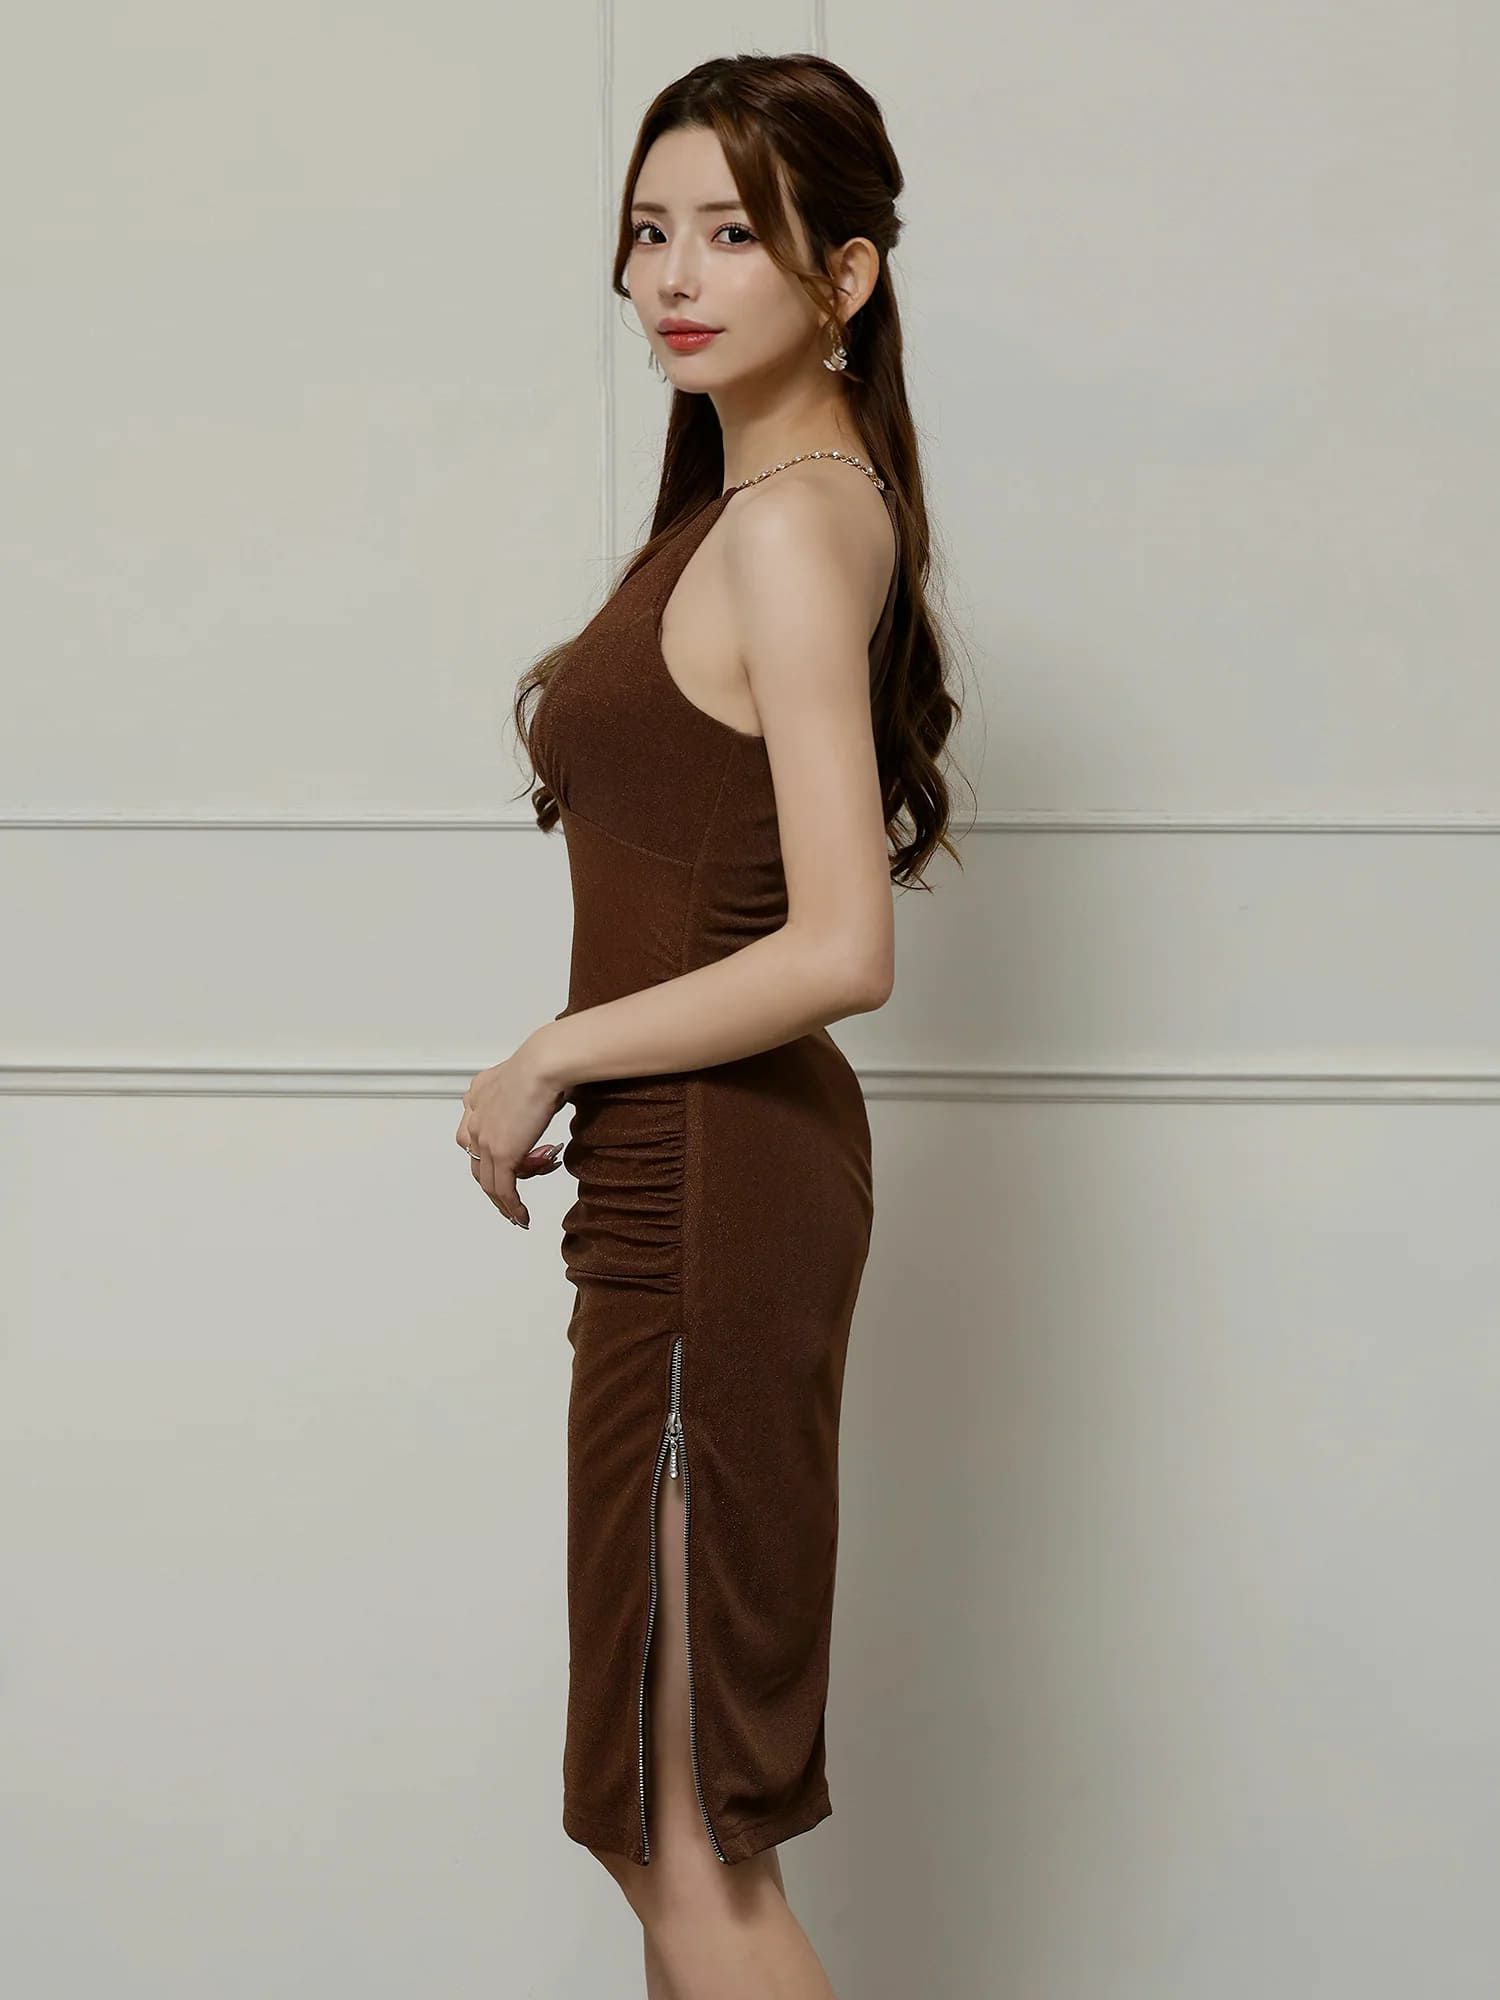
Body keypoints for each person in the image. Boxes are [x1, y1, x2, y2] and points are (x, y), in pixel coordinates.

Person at [457, 51, 965, 1999]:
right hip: (689, 1176)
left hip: (714, 1184)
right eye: (651, 230)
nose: (673, 275)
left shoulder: (788, 527)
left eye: (733, 234)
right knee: (657, 1813)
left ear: (844, 275)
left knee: (688, 1833)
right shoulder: (752, 504)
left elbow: (842, 943)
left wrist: (551, 1051)